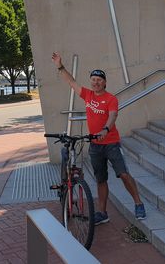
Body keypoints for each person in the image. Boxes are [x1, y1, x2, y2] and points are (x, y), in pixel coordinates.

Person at [51, 51, 146, 224]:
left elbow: (113, 116)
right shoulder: (88, 95)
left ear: (104, 83)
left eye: (99, 80)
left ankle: (138, 203)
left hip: (111, 143)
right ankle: (102, 213)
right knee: (101, 179)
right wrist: (60, 66)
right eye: (93, 79)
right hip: (95, 145)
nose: (96, 82)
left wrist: (105, 129)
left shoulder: (111, 99)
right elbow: (71, 82)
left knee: (123, 174)